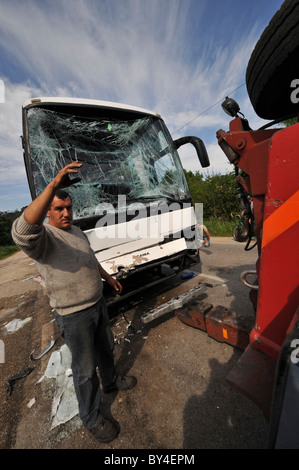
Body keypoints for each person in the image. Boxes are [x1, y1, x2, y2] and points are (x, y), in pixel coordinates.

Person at [12, 161, 137, 443]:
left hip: (97, 304)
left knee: (106, 350)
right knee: (84, 369)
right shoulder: (43, 238)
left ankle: (112, 382)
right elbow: (21, 231)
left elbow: (89, 259)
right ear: (48, 212)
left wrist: (108, 278)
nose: (66, 213)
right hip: (73, 316)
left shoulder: (77, 232)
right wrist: (53, 185)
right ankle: (91, 417)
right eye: (59, 208)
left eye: (69, 208)